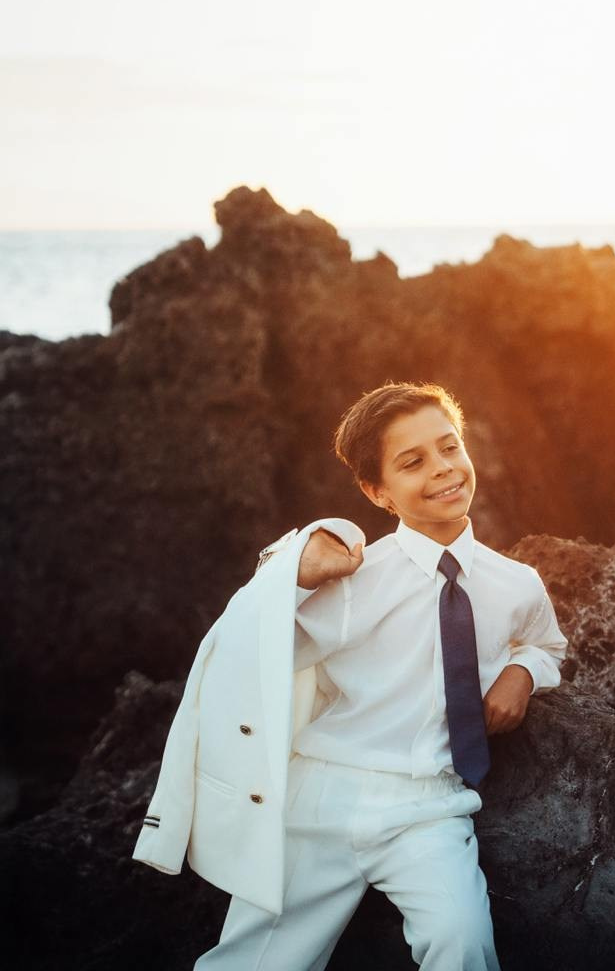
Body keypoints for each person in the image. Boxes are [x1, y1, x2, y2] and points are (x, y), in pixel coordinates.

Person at [137, 381, 568, 969]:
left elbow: (547, 643)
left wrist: (522, 670)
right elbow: (247, 645)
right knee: (257, 962)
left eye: (449, 447)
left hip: (430, 808)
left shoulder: (516, 582)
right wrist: (289, 566)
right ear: (377, 491)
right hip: (323, 801)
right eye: (412, 462)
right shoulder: (351, 580)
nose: (442, 470)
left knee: (462, 941)